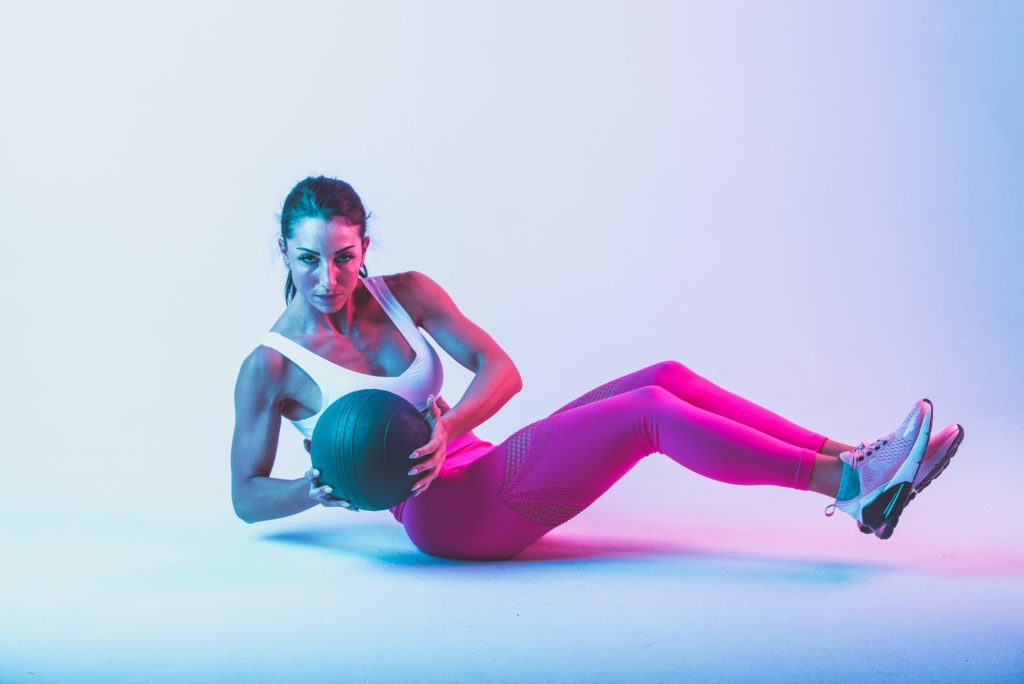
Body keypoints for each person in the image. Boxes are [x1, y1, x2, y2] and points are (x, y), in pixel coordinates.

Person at [230, 176, 965, 560]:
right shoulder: (272, 365)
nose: (328, 277)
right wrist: (308, 488)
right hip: (446, 514)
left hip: (481, 461)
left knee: (665, 376)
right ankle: (855, 488)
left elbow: (501, 371)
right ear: (284, 253)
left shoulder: (405, 295)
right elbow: (245, 497)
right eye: (308, 259)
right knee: (647, 416)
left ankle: (860, 459)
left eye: (344, 258)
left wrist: (448, 424)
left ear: (365, 250)